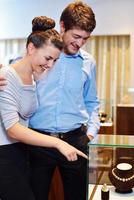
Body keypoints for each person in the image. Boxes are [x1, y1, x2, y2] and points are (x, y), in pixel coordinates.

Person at [0, 16, 87, 200]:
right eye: (48, 58)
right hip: (5, 155)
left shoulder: (33, 78)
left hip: (23, 152)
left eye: (54, 61)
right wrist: (59, 142)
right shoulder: (5, 77)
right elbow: (14, 130)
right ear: (31, 48)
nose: (49, 65)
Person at [28, 2, 100, 200]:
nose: (79, 43)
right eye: (76, 36)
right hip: (39, 141)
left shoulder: (89, 62)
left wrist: (90, 134)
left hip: (76, 140)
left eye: (85, 39)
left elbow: (92, 101)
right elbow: (16, 74)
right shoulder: (42, 54)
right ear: (62, 27)